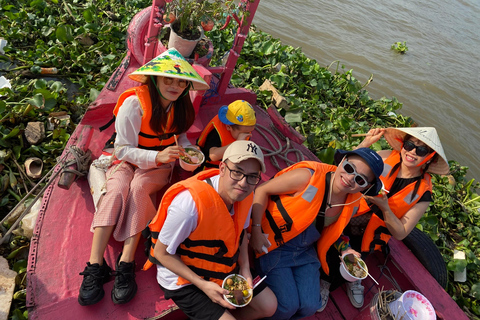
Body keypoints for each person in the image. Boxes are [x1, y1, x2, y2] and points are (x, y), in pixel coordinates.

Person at [78, 48, 210, 306]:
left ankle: (126, 262)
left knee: (139, 188)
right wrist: (156, 157)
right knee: (115, 189)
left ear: (186, 86)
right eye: (168, 79)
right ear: (155, 79)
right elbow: (122, 149)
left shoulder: (181, 107)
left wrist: (188, 152)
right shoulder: (134, 104)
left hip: (160, 164)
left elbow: (181, 138)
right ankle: (96, 265)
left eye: (181, 81)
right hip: (128, 158)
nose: (175, 85)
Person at [143, 140, 277, 320]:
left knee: (269, 306)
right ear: (222, 168)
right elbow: (161, 253)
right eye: (237, 172)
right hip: (185, 279)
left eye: (252, 176)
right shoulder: (188, 206)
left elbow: (242, 233)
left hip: (222, 264)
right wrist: (202, 285)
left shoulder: (245, 194)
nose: (243, 183)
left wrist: (245, 268)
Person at [319, 127, 449, 311]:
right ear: (403, 144)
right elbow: (347, 169)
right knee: (331, 252)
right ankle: (324, 281)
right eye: (410, 144)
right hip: (350, 216)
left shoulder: (423, 193)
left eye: (421, 150)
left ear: (430, 157)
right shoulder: (386, 156)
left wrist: (385, 207)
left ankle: (351, 279)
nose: (412, 152)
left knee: (356, 261)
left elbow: (401, 232)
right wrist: (366, 144)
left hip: (372, 235)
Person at [249, 148, 384, 320]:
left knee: (310, 307)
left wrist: (346, 249)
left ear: (367, 187)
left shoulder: (353, 203)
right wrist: (255, 230)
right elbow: (262, 190)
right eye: (350, 168)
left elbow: (335, 230)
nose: (350, 179)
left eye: (360, 179)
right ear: (342, 161)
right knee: (286, 307)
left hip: (305, 250)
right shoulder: (308, 176)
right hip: (275, 242)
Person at [196, 100, 256, 172]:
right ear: (228, 127)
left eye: (250, 131)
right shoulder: (217, 132)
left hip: (227, 167)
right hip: (209, 167)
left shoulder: (243, 132)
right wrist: (236, 143)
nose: (248, 135)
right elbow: (213, 156)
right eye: (244, 133)